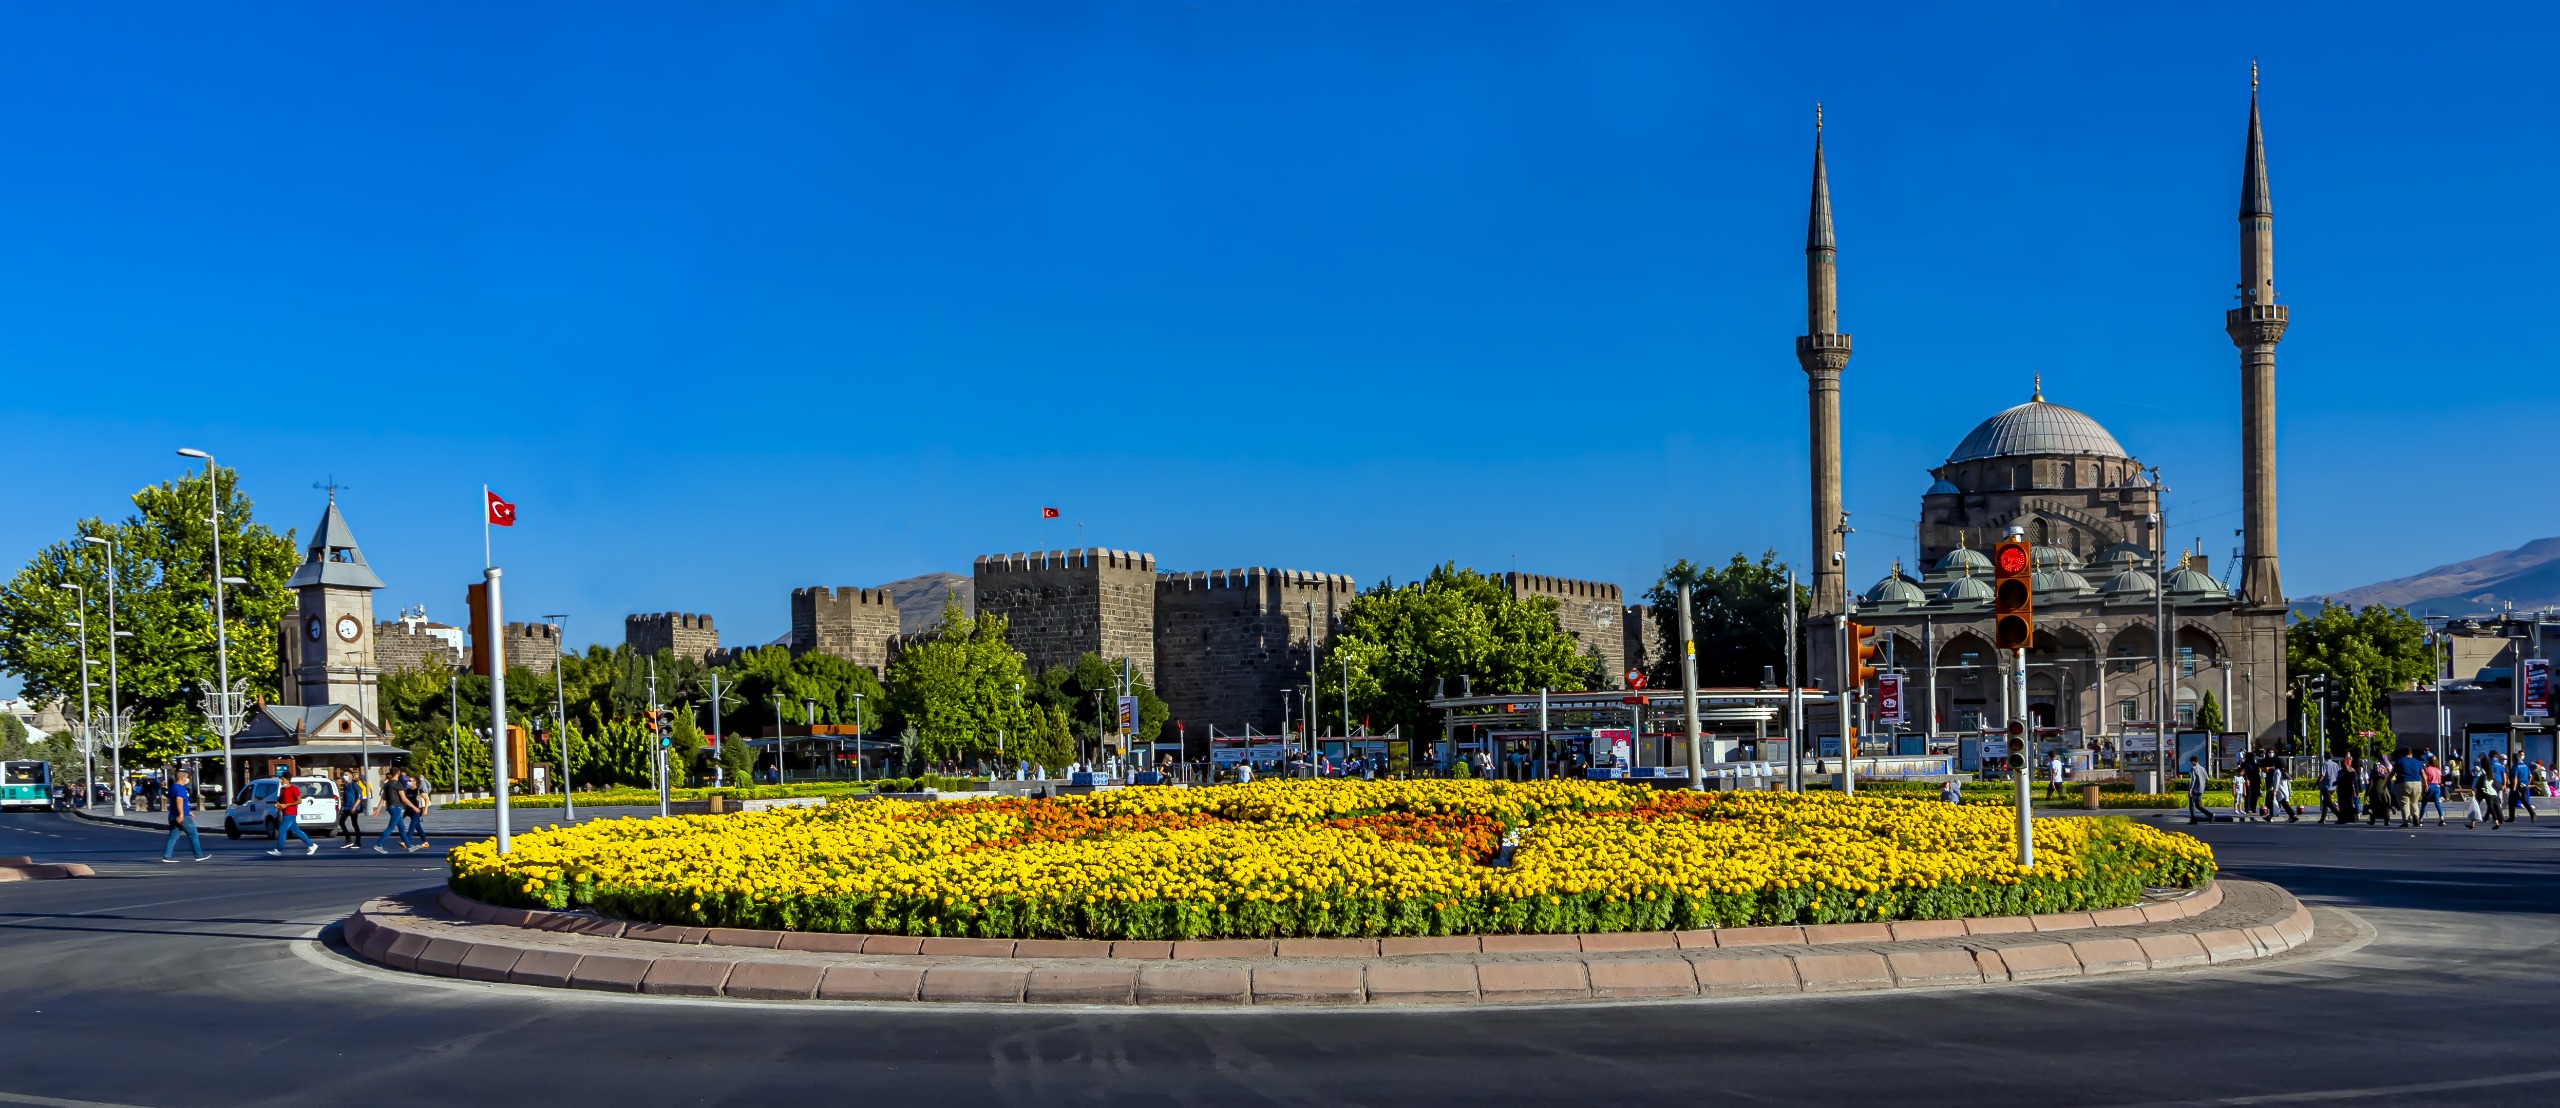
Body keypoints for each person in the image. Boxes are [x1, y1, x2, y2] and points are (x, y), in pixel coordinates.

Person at [161, 770, 210, 863]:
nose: (187, 779)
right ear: (182, 778)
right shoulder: (180, 788)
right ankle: (198, 855)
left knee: (173, 836)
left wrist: (188, 811)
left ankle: (166, 856)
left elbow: (173, 799)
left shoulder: (172, 787)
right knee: (193, 834)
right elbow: (179, 801)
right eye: (186, 777)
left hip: (172, 815)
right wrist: (182, 814)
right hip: (181, 816)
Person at [266, 776, 317, 857]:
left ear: (287, 779)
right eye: (280, 779)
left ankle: (278, 849)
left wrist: (286, 805)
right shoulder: (282, 789)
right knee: (295, 830)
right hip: (285, 812)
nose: (281, 780)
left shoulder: (294, 788)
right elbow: (280, 799)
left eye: (282, 778)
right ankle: (311, 845)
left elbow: (299, 801)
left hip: (291, 812)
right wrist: (278, 804)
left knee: (282, 829)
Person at [2395, 748, 2427, 828]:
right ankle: (2415, 816)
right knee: (2414, 802)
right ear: (2411, 754)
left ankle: (2406, 821)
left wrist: (2385, 784)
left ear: (2402, 754)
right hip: (2417, 783)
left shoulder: (2399, 761)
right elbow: (2423, 774)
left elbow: (2392, 773)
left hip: (2403, 783)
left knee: (2404, 802)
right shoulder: (2417, 762)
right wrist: (2425, 784)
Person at [335, 769, 367, 848]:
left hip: (353, 808)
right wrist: (342, 806)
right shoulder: (345, 785)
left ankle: (358, 842)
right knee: (341, 822)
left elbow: (359, 797)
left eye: (346, 774)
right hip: (346, 807)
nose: (344, 776)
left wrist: (354, 807)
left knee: (354, 824)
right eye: (343, 774)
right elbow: (345, 797)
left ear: (350, 776)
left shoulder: (354, 785)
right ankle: (348, 839)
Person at [2267, 753, 2300, 823]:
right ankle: (2269, 816)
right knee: (2277, 804)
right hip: (2285, 790)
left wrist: (2275, 790)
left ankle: (2293, 816)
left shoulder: (2277, 771)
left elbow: (2277, 781)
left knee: (2283, 805)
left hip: (2280, 791)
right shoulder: (2283, 771)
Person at [2418, 753, 2447, 826]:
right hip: (2437, 787)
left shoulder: (2427, 769)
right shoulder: (2438, 770)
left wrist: (2424, 786)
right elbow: (2440, 781)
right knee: (2437, 803)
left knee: (2424, 803)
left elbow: (2424, 778)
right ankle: (2441, 819)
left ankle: (2420, 820)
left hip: (2429, 786)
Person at [2509, 754, 2537, 823]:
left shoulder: (2515, 766)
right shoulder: (2526, 766)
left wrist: (2514, 788)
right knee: (2521, 800)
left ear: (2514, 759)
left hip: (2518, 786)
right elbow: (2530, 776)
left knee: (2514, 801)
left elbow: (2515, 778)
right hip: (2525, 785)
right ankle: (2512, 817)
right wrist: (2528, 783)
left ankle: (2533, 814)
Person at [2315, 754, 2342, 824]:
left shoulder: (2324, 764)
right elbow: (2339, 774)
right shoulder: (2336, 765)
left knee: (2329, 803)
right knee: (2325, 802)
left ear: (2325, 757)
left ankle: (2340, 816)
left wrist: (2316, 783)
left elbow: (2322, 775)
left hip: (2326, 786)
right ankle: (2322, 818)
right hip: (2333, 786)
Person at [2186, 756, 2210, 824]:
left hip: (2194, 789)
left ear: (2193, 761)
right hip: (2201, 789)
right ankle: (2210, 815)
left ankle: (2193, 819)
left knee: (2191, 805)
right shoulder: (2203, 768)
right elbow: (2207, 779)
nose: (2191, 764)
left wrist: (2190, 791)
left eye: (2191, 762)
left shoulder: (2193, 769)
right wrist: (2203, 786)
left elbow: (2192, 780)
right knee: (2198, 805)